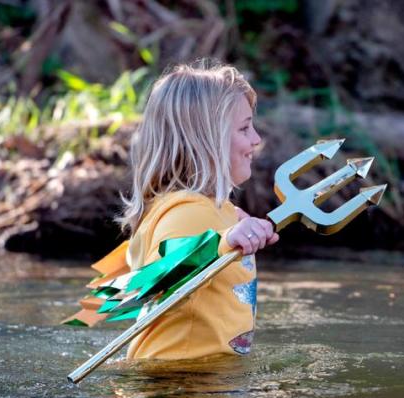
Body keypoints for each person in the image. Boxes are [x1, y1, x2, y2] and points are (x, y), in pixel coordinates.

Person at [82, 60, 277, 360]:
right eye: (244, 128)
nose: (256, 139)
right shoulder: (187, 212)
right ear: (205, 139)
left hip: (199, 378)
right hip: (175, 384)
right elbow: (159, 279)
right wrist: (224, 241)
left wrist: (229, 227)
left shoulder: (214, 210)